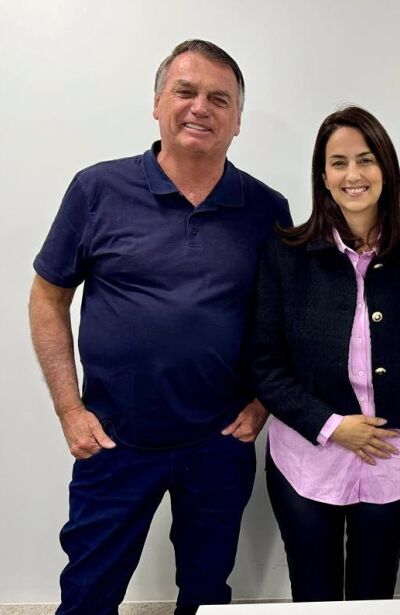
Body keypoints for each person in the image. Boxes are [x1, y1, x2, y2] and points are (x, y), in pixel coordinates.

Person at [28, 39, 291, 615]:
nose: (201, 107)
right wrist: (69, 410)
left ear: (238, 120)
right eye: (186, 91)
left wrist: (262, 401)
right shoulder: (97, 189)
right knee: (89, 594)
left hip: (219, 441)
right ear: (156, 104)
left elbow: (283, 319)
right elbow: (48, 296)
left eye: (219, 98)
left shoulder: (266, 209)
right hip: (113, 438)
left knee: (205, 595)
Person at [249, 106, 400, 601]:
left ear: (386, 170)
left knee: (373, 596)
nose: (353, 175)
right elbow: (263, 364)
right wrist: (334, 425)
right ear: (323, 176)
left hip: (391, 461)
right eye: (338, 163)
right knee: (314, 598)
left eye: (366, 159)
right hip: (306, 458)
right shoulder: (286, 253)